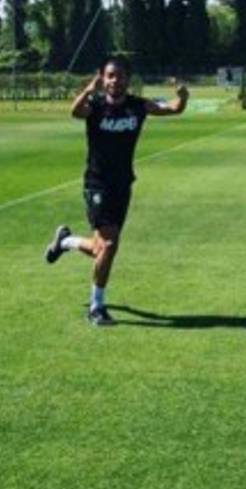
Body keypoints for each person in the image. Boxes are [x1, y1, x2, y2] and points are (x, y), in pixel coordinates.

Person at [44, 56, 189, 326]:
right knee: (108, 245)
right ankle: (96, 307)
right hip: (97, 184)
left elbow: (173, 109)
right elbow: (75, 112)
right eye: (110, 76)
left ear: (128, 79)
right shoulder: (96, 106)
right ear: (102, 77)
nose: (115, 81)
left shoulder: (137, 106)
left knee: (103, 247)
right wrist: (89, 89)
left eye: (120, 76)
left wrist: (183, 95)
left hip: (123, 184)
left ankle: (65, 241)